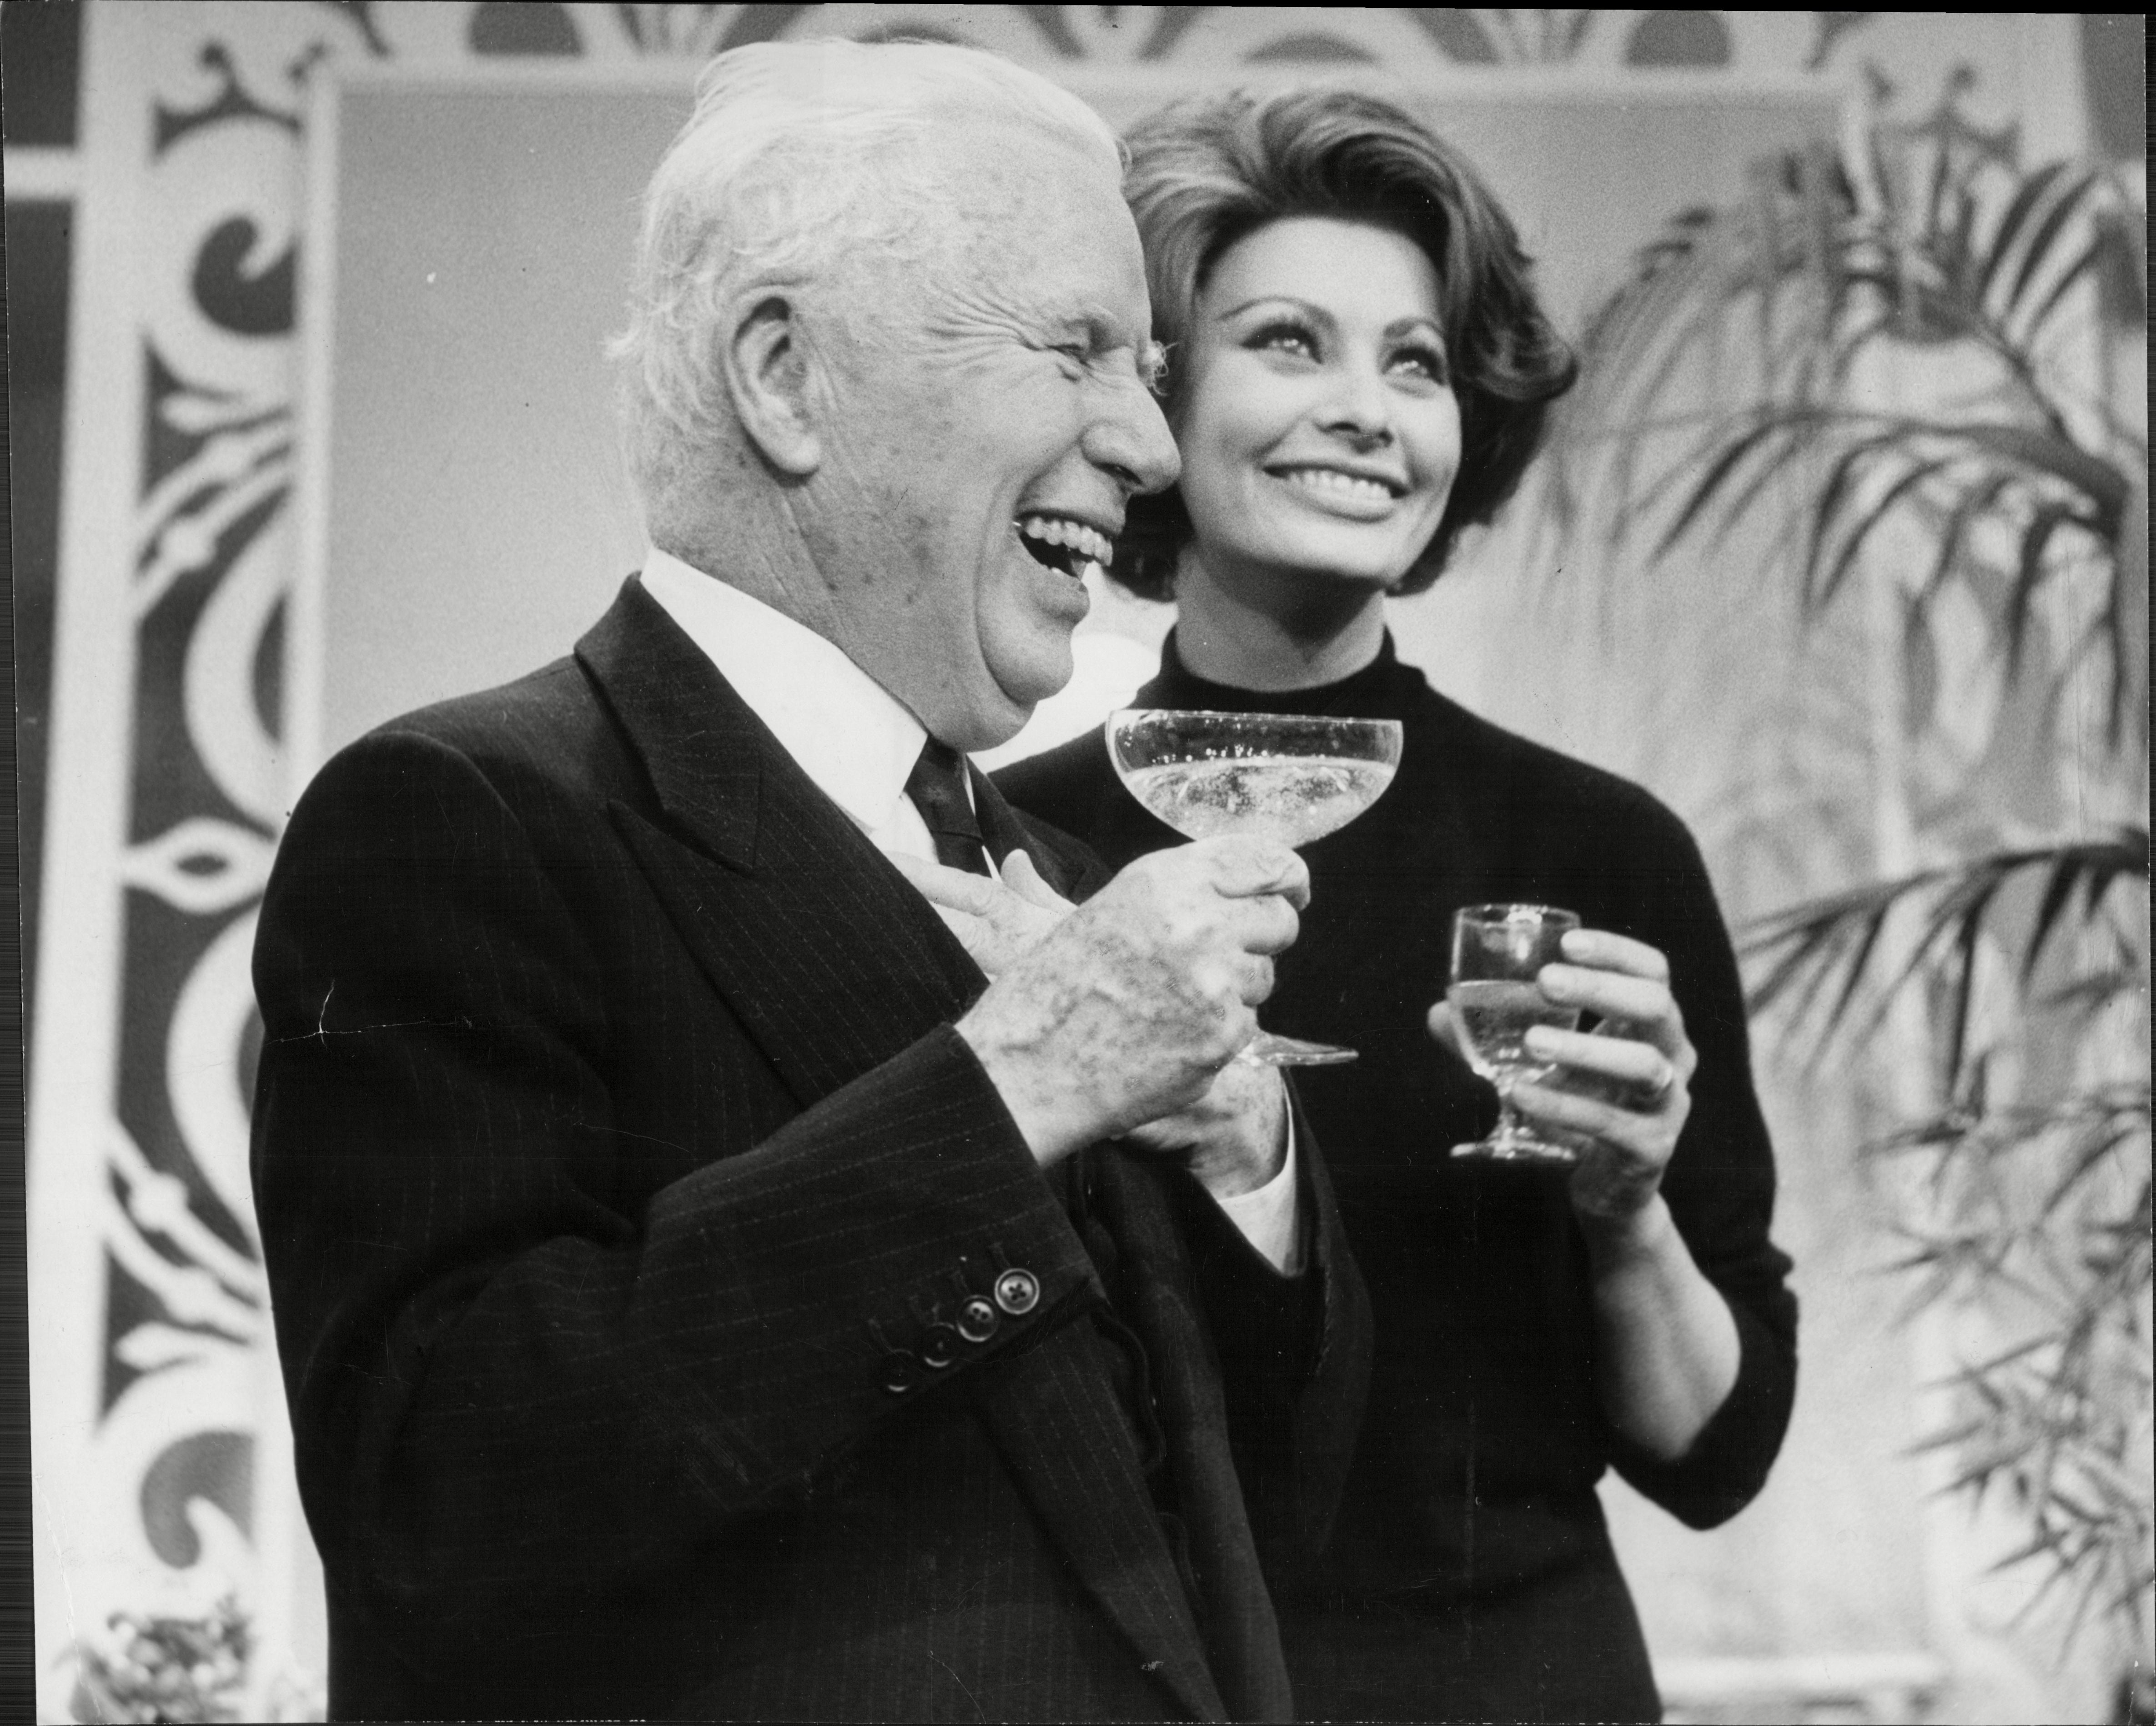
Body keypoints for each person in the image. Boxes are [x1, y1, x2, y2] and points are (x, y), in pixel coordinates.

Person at [251, 45, 1373, 1723]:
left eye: (1143, 368)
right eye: (1073, 348)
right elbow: (439, 1491)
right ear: (788, 377)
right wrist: (1028, 1081)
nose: (1149, 440)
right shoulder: (463, 817)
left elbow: (1252, 1519)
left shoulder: (1058, 876)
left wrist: (1243, 1161)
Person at [998, 87, 1799, 1724]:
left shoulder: (1600, 847)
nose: (1368, 411)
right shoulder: (1009, 845)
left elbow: (1716, 1455)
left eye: (1415, 362)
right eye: (1289, 342)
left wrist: (1627, 1207)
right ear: (1156, 400)